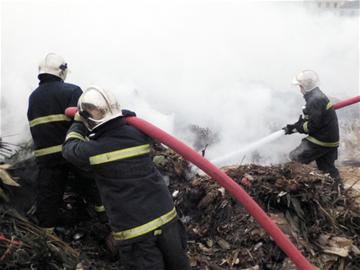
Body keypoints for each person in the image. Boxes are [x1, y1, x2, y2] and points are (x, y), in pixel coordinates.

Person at [62, 86, 191, 270]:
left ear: (88, 119)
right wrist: (126, 116)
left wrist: (77, 123)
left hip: (137, 232)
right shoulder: (138, 134)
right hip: (166, 219)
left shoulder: (93, 150)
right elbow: (132, 127)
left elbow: (69, 150)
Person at [27, 53, 105, 232]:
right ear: (62, 72)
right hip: (71, 152)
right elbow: (85, 122)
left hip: (46, 158)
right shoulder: (72, 90)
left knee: (48, 196)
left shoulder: (33, 97)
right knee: (92, 185)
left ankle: (48, 237)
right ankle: (105, 219)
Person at [283, 70, 341, 182]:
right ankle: (338, 190)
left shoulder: (314, 101)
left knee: (294, 158)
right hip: (331, 140)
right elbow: (311, 119)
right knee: (327, 168)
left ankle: (294, 185)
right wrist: (292, 127)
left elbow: (312, 126)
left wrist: (298, 128)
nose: (299, 90)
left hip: (321, 140)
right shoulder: (318, 96)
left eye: (300, 86)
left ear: (305, 87)